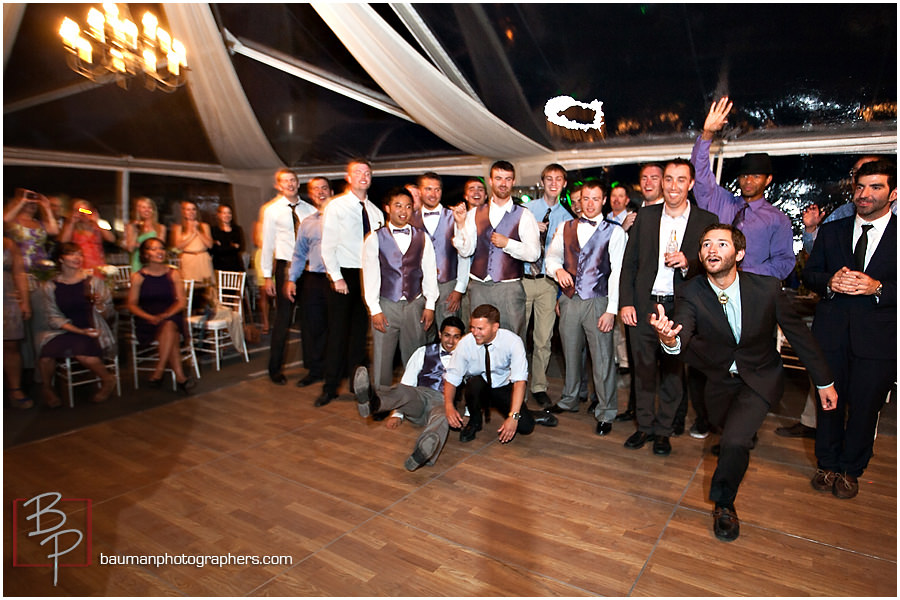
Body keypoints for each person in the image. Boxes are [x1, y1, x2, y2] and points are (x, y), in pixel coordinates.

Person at [652, 224, 836, 541]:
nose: (712, 249)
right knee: (728, 433)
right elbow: (681, 333)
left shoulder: (766, 288)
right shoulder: (691, 292)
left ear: (739, 253)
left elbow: (800, 337)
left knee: (735, 440)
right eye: (706, 244)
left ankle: (724, 505)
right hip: (718, 381)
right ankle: (735, 444)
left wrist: (823, 383)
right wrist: (668, 338)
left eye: (721, 244)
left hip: (761, 378)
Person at [802, 160, 896, 500]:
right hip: (831, 337)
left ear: (893, 193)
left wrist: (878, 287)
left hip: (879, 341)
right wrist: (830, 281)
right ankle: (826, 463)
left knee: (864, 407)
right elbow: (809, 275)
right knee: (828, 402)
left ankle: (851, 470)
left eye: (875, 187)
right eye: (860, 187)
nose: (864, 194)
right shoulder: (833, 231)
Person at [618, 159, 717, 456]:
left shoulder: (705, 220)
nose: (674, 186)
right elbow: (629, 264)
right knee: (644, 370)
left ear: (690, 184)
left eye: (680, 180)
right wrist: (625, 303)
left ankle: (663, 431)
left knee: (674, 373)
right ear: (662, 183)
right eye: (669, 179)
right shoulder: (645, 217)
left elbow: (714, 264)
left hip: (681, 308)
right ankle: (644, 427)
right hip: (645, 305)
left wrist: (689, 262)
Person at [779, 155, 881, 439]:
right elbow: (816, 261)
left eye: (873, 181)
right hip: (835, 318)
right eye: (858, 178)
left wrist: (878, 287)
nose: (864, 191)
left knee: (865, 397)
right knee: (824, 381)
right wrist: (811, 231)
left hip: (876, 324)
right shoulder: (840, 216)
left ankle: (856, 449)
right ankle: (817, 436)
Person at [546, 181, 627, 434]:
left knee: (602, 359)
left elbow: (617, 274)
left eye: (595, 199)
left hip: (598, 301)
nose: (589, 204)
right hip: (569, 300)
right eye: (585, 199)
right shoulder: (565, 227)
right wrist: (557, 270)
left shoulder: (615, 232)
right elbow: (551, 257)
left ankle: (606, 411)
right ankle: (570, 399)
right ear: (578, 201)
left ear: (603, 201)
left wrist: (611, 310)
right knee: (569, 353)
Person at [690, 96, 795, 281]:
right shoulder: (720, 201)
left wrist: (744, 276)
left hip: (754, 292)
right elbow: (699, 174)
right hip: (712, 289)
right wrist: (707, 134)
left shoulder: (777, 220)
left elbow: (784, 262)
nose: (748, 181)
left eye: (756, 176)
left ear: (768, 180)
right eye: (744, 176)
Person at [353, 317, 466, 471]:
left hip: (444, 402)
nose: (451, 341)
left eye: (456, 337)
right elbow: (408, 380)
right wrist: (397, 415)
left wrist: (467, 414)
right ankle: (372, 402)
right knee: (403, 389)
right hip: (420, 396)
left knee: (442, 417)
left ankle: (421, 454)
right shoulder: (423, 352)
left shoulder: (467, 359)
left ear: (462, 338)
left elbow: (472, 389)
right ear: (440, 334)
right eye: (447, 335)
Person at [319, 158, 385, 406]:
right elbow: (328, 246)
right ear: (348, 178)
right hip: (343, 275)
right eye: (358, 172)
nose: (363, 176)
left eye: (367, 172)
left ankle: (358, 385)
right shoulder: (336, 207)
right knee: (337, 333)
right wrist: (336, 277)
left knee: (359, 335)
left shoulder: (376, 212)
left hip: (366, 276)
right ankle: (329, 387)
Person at [443, 304, 557, 444]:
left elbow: (520, 381)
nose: (475, 332)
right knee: (474, 383)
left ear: (495, 327)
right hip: (479, 388)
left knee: (525, 427)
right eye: (472, 327)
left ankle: (529, 414)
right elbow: (452, 377)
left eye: (480, 329)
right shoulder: (465, 343)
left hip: (503, 388)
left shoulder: (512, 342)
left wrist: (514, 417)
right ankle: (474, 422)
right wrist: (448, 406)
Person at [453, 160, 540, 339]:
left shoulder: (524, 215)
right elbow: (466, 251)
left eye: (508, 179)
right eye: (499, 178)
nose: (503, 183)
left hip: (509, 288)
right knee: (478, 338)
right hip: (478, 286)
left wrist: (508, 243)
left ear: (513, 182)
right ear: (490, 181)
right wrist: (461, 225)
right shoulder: (473, 214)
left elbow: (534, 253)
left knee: (513, 338)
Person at [362, 188, 438, 388]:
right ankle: (381, 401)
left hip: (415, 305)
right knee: (382, 359)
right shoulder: (374, 238)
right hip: (386, 305)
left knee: (415, 358)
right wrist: (375, 309)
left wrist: (430, 305)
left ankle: (414, 401)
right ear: (387, 208)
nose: (403, 211)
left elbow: (429, 272)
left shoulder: (423, 237)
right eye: (398, 206)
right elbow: (370, 276)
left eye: (408, 206)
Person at [35, 243, 117, 407]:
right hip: (65, 330)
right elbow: (53, 317)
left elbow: (109, 314)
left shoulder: (93, 282)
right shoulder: (50, 286)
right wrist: (79, 331)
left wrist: (101, 306)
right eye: (72, 254)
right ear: (61, 259)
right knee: (46, 356)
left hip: (92, 328)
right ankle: (47, 388)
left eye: (79, 254)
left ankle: (108, 380)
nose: (77, 258)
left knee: (83, 355)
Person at [616, 163, 665, 424]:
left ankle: (669, 418)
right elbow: (626, 262)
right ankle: (636, 409)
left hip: (664, 301)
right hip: (636, 300)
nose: (648, 182)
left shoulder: (670, 216)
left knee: (668, 365)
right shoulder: (634, 216)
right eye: (644, 178)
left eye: (654, 178)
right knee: (637, 361)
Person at [260, 168, 316, 384]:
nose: (290, 184)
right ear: (278, 185)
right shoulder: (272, 211)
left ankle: (312, 365)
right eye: (285, 181)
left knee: (310, 319)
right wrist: (267, 276)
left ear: (298, 183)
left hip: (308, 267)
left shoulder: (309, 209)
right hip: (285, 267)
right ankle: (275, 369)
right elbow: (267, 244)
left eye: (293, 180)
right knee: (283, 319)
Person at [522, 163, 572, 407]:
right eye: (549, 178)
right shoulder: (525, 210)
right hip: (522, 280)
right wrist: (530, 232)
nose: (553, 183)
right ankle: (516, 386)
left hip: (548, 284)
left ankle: (539, 386)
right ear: (542, 182)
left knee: (543, 339)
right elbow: (508, 243)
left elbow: (569, 259)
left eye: (558, 179)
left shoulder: (568, 219)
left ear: (564, 184)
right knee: (518, 336)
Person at [127, 237, 195, 393]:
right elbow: (131, 304)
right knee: (171, 334)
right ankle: (180, 378)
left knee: (170, 325)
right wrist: (149, 317)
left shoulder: (173, 273)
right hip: (147, 319)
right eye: (154, 249)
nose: (159, 252)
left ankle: (159, 371)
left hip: (170, 314)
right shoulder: (138, 277)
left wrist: (165, 315)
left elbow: (181, 302)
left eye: (161, 248)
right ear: (145, 254)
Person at [285, 176, 332, 387]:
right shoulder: (307, 223)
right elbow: (299, 254)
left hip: (337, 278)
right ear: (311, 195)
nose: (320, 192)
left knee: (336, 327)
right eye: (315, 189)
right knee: (313, 326)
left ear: (331, 192)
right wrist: (291, 279)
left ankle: (336, 370)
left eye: (324, 188)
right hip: (314, 278)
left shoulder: (343, 219)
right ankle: (315, 370)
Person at [409, 172, 469, 331]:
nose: (433, 194)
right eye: (428, 189)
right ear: (420, 191)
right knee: (420, 334)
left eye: (437, 189)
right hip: (418, 287)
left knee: (450, 333)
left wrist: (459, 289)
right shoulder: (409, 219)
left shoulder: (455, 216)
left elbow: (465, 255)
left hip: (447, 285)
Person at [3, 237, 32, 409]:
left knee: (11, 346)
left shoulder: (8, 243)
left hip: (6, 298)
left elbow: (19, 273)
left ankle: (15, 389)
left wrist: (25, 301)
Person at [3, 187, 59, 270]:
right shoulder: (12, 221)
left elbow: (54, 231)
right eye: (29, 203)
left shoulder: (40, 223)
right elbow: (4, 219)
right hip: (15, 267)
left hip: (37, 268)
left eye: (35, 203)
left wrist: (47, 207)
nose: (32, 204)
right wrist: (22, 201)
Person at [59, 199, 116, 270]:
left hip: (98, 266)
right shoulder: (72, 226)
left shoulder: (97, 226)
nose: (83, 214)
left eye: (86, 211)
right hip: (79, 266)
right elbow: (63, 241)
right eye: (80, 211)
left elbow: (111, 239)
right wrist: (72, 222)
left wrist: (96, 222)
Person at [171, 200, 214, 282]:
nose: (191, 212)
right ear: (183, 212)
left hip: (203, 259)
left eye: (193, 209)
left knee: (208, 287)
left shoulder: (204, 226)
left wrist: (198, 231)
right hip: (188, 259)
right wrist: (192, 234)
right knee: (190, 285)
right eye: (188, 209)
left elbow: (209, 245)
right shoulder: (179, 228)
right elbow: (178, 246)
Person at [125, 197, 167, 274]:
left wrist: (141, 245)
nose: (147, 210)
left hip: (154, 264)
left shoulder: (160, 228)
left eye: (149, 207)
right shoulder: (131, 226)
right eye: (143, 207)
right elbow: (130, 248)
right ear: (138, 210)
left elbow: (160, 248)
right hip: (137, 263)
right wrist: (136, 231)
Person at [210, 204, 245, 272]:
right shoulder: (214, 230)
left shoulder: (237, 229)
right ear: (219, 215)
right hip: (220, 266)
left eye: (229, 213)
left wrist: (222, 245)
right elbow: (214, 250)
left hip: (235, 265)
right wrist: (232, 246)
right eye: (224, 213)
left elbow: (240, 248)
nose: (227, 215)